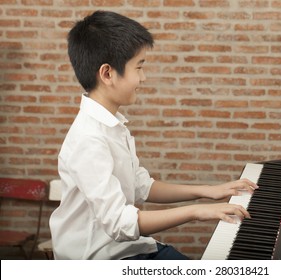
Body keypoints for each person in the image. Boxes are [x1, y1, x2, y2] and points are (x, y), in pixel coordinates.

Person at [49, 10, 258, 260]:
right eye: (139, 67)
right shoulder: (89, 139)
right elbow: (119, 224)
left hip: (128, 248)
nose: (143, 78)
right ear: (107, 74)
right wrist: (197, 212)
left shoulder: (111, 125)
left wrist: (209, 190)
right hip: (100, 258)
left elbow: (142, 186)